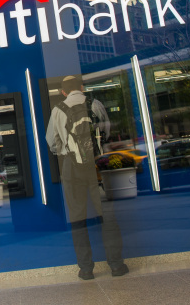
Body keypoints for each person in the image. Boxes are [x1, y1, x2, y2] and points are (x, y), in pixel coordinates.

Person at [46, 75, 128, 280]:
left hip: (71, 168)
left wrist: (69, 150)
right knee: (107, 216)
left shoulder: (57, 110)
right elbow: (107, 131)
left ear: (63, 92)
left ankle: (86, 269)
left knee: (78, 219)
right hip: (96, 165)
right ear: (81, 88)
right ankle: (116, 265)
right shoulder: (95, 104)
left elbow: (52, 143)